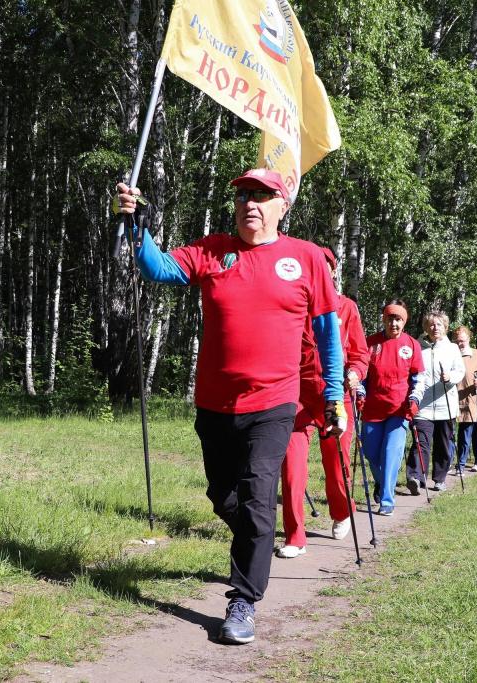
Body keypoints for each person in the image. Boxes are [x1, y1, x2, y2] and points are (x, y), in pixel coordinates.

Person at [114, 169, 343, 645]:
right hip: (215, 403)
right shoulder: (213, 250)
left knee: (259, 501)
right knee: (224, 497)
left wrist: (334, 393)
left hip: (275, 402)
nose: (250, 203)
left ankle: (243, 600)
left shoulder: (305, 259)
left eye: (262, 195)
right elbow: (157, 268)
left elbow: (327, 334)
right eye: (243, 195)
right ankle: (255, 539)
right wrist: (139, 225)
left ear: (283, 205)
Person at [276, 247, 369, 559]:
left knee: (337, 464)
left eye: (324, 267)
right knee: (291, 467)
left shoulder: (346, 308)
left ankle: (342, 511)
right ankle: (295, 535)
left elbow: (359, 354)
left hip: (336, 396)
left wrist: (355, 373)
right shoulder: (292, 306)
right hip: (298, 398)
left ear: (331, 271)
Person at [358, 299, 424, 515]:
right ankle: (382, 481)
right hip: (373, 408)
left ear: (404, 322)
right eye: (390, 318)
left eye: (398, 319)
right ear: (384, 319)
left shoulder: (412, 344)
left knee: (391, 453)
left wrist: (414, 400)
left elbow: (418, 378)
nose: (393, 323)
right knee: (370, 452)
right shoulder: (371, 343)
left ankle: (387, 499)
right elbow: (361, 375)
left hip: (399, 409)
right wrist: (359, 393)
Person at [407, 310, 465, 493]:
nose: (435, 328)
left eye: (439, 324)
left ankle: (440, 478)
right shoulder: (418, 346)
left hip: (445, 404)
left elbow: (460, 371)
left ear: (445, 327)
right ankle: (416, 477)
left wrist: (450, 377)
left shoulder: (453, 349)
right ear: (426, 327)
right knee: (420, 441)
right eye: (431, 324)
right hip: (422, 405)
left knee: (443, 443)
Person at [454, 327, 477, 473]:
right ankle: (448, 463)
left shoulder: (476, 354)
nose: (459, 344)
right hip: (451, 399)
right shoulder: (451, 352)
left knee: (465, 434)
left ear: (468, 339)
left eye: (462, 341)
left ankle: (461, 465)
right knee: (449, 435)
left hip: (469, 400)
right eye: (457, 341)